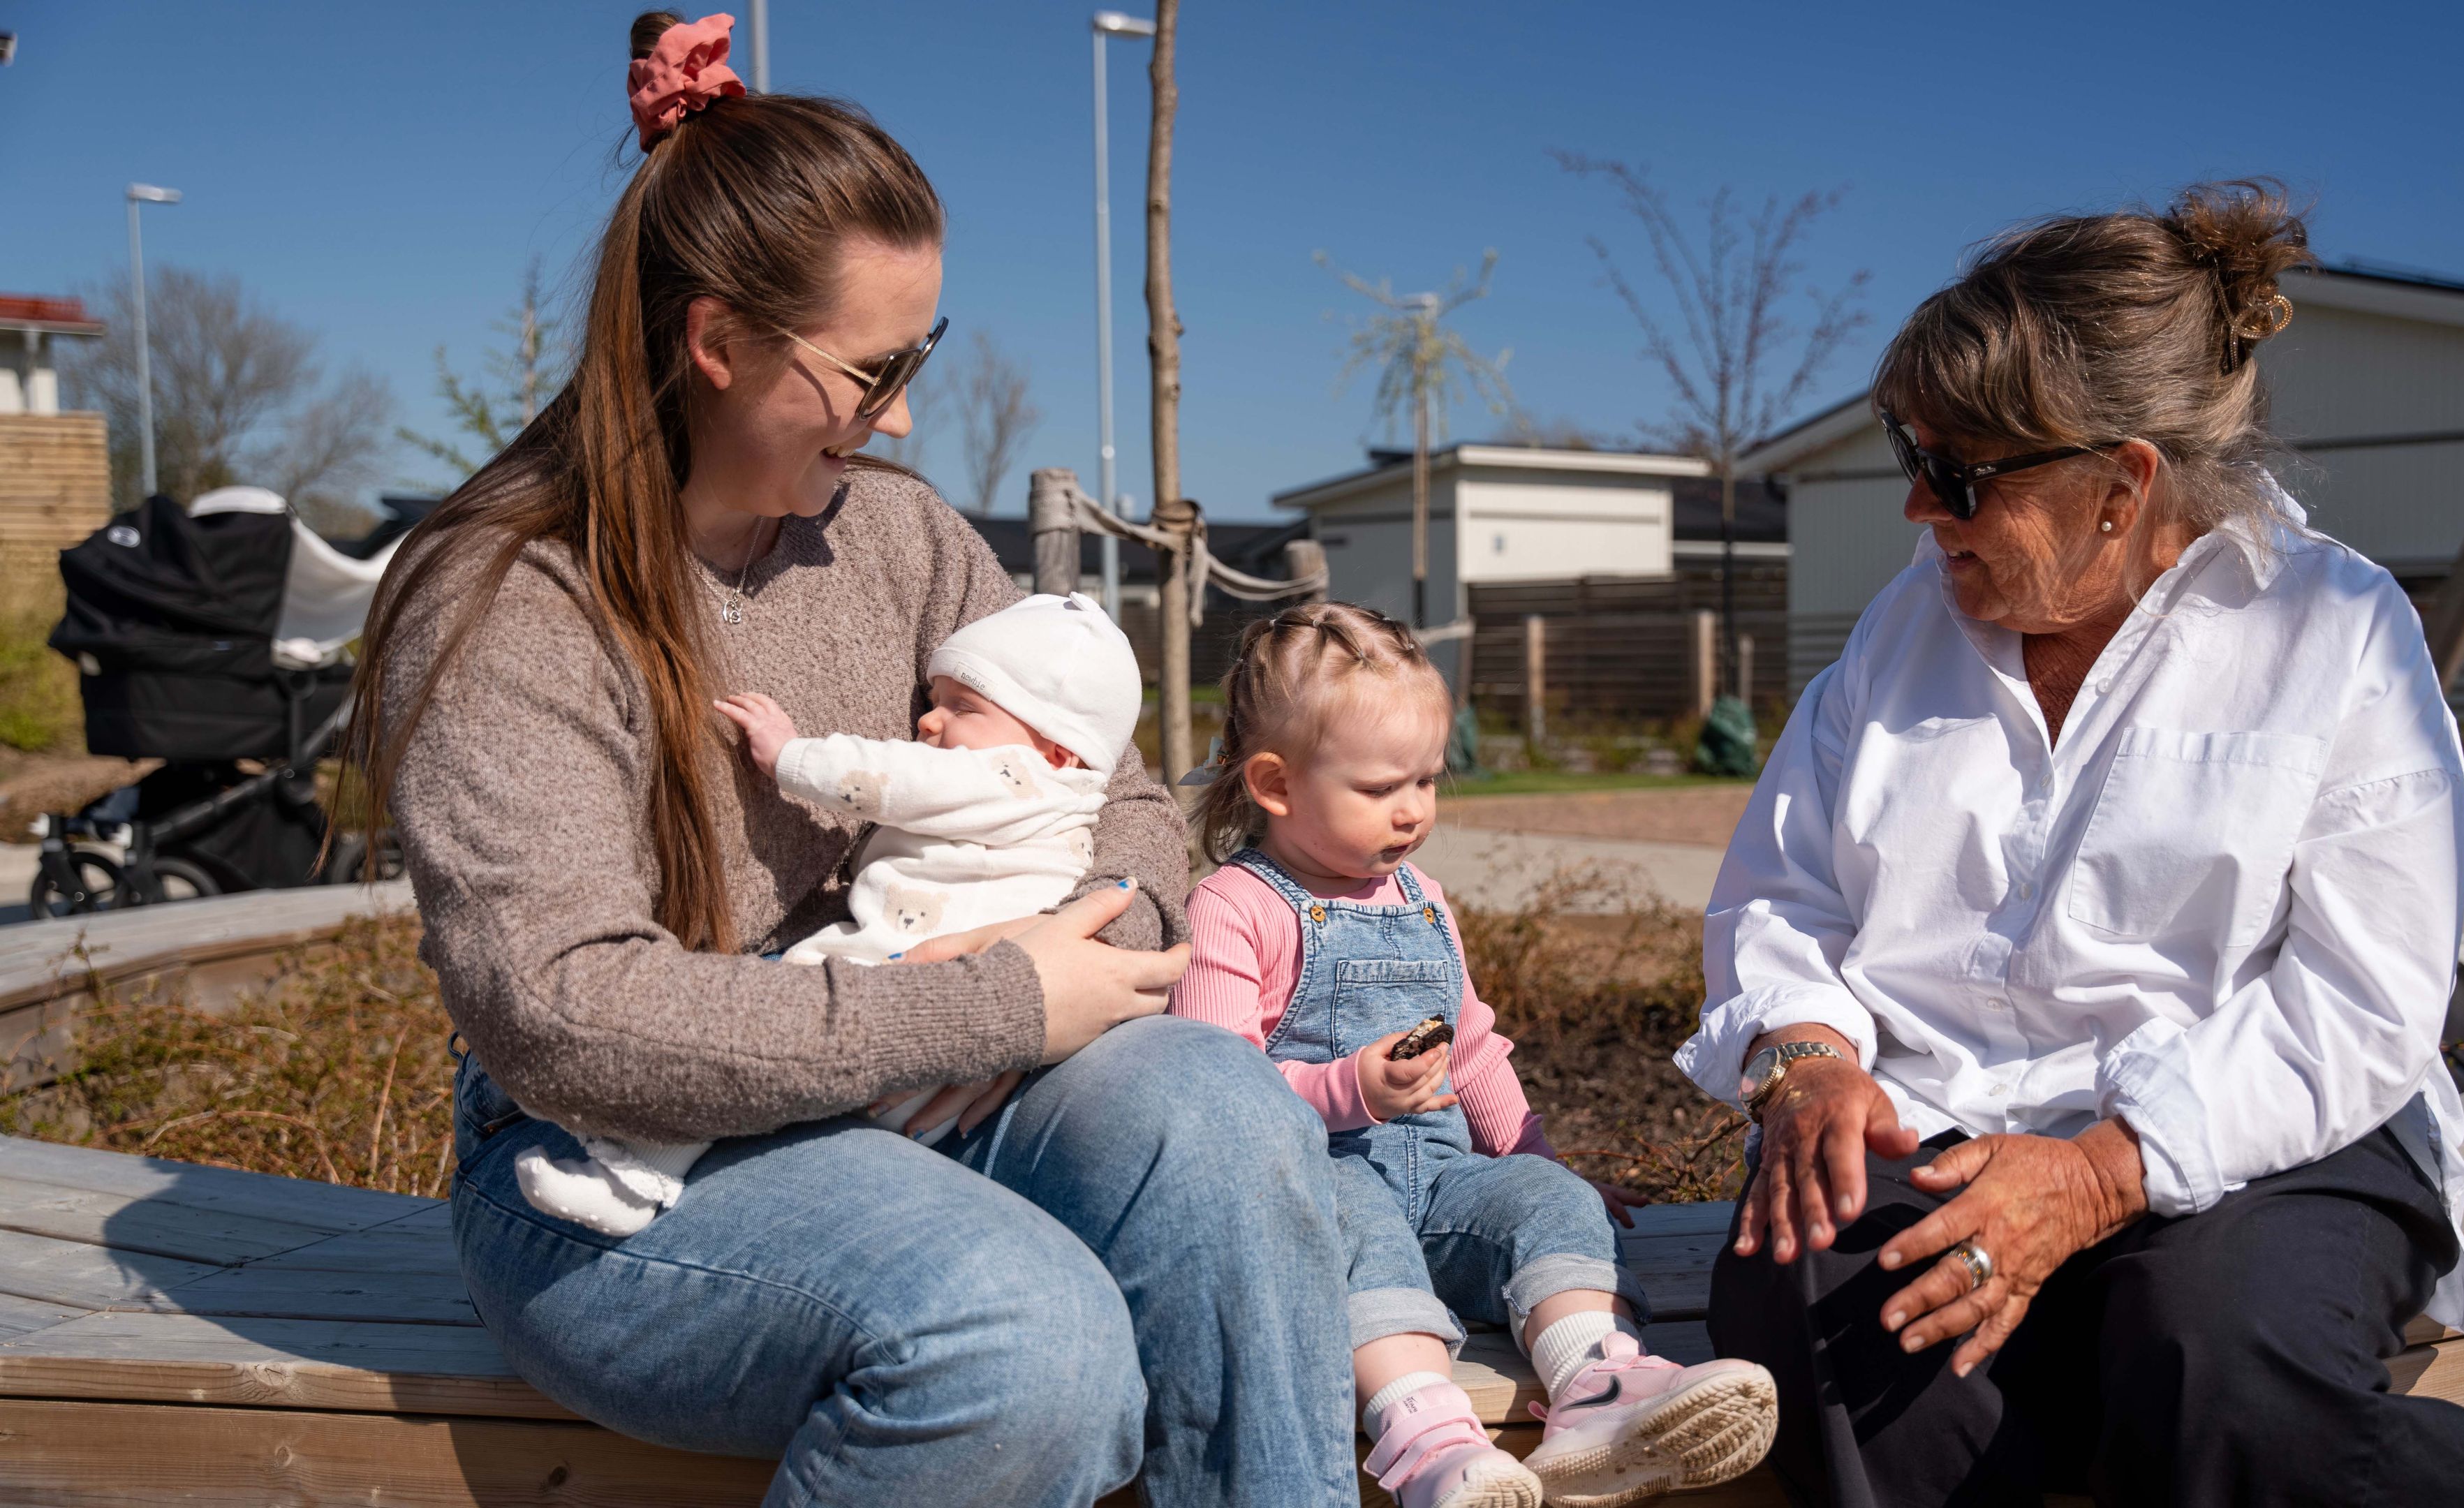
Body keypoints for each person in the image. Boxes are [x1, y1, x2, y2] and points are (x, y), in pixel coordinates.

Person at [344, 14, 1358, 1505]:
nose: (903, 409)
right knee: (1021, 1342)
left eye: (919, 353)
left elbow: (1123, 801)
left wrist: (1059, 957)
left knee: (1223, 1118)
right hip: (612, 1168)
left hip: (915, 1081)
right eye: (875, 368)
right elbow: (559, 1014)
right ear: (716, 344)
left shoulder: (893, 535)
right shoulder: (508, 603)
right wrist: (979, 1002)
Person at [1677, 181, 2464, 1507]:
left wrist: (2097, 1176)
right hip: (1945, 1117)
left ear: (2121, 487)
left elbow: (2361, 1000)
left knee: (2218, 1351)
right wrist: (1808, 1059)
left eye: (1955, 473)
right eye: (1910, 453)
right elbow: (1785, 893)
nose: (1916, 508)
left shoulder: (2336, 632)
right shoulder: (1901, 636)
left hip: (2263, 1144)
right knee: (1813, 1292)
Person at [1170, 603, 1779, 1508]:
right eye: (1381, 789)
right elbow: (1221, 1093)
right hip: (1316, 1185)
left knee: (1552, 1202)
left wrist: (1533, 1160)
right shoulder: (1236, 905)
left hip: (1446, 1187)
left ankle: (1599, 1394)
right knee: (1353, 1227)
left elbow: (1476, 1045)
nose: (1414, 809)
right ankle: (1429, 1441)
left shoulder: (1422, 896)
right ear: (1275, 783)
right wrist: (1353, 1088)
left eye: (1427, 779)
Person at [509, 591, 1143, 1235]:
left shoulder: (1015, 778)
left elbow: (894, 778)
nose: (927, 722)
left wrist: (790, 755)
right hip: (951, 1049)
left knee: (754, 1039)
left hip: (900, 967)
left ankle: (637, 1171)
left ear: (1058, 751)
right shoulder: (1065, 803)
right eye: (934, 700)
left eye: (962, 707)